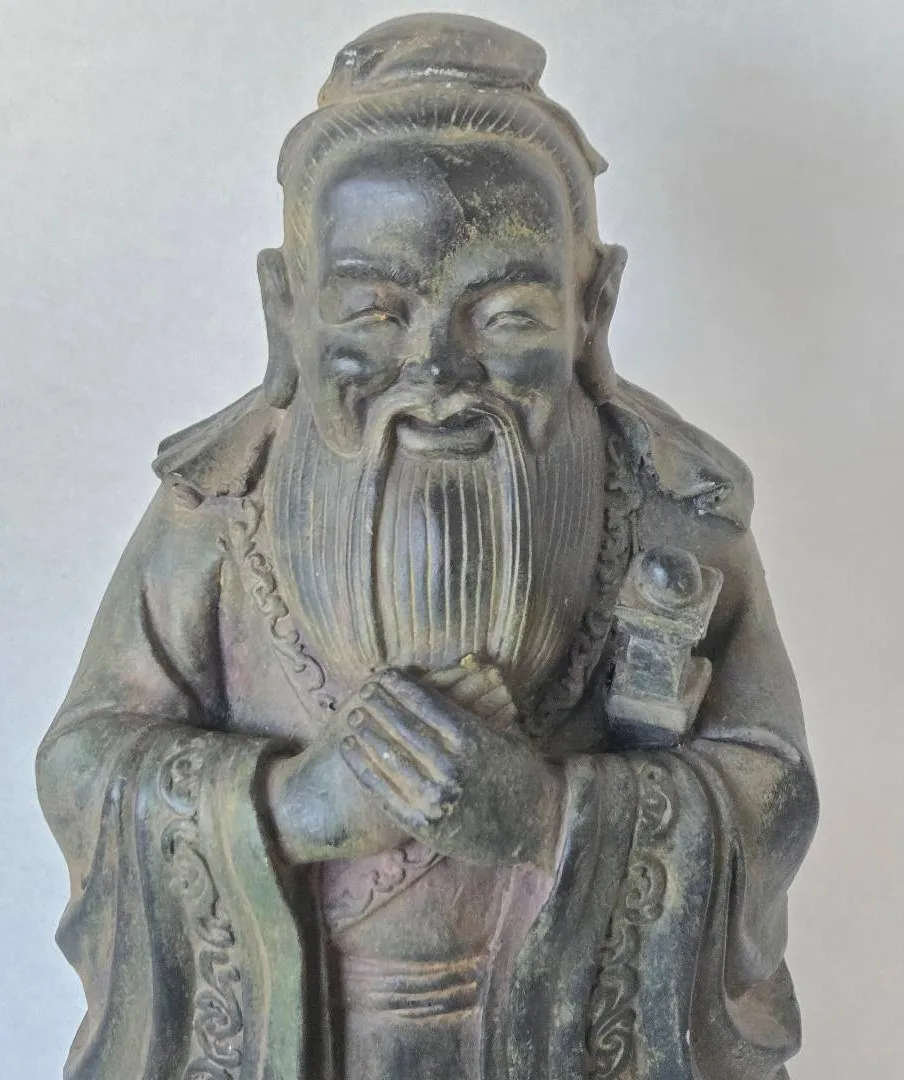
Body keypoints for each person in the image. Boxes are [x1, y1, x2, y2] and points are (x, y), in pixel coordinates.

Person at [37, 15, 817, 1080]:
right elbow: (86, 762)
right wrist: (295, 807)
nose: (438, 372)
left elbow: (768, 793)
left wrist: (546, 818)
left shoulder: (676, 515)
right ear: (286, 310)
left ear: (592, 307)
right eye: (372, 310)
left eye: (506, 317)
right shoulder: (216, 511)